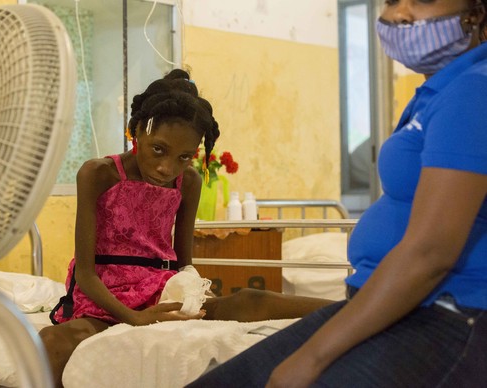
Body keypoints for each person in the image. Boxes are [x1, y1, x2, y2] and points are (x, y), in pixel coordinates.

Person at [187, 0, 487, 387]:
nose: (401, 14)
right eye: (393, 1)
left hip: (445, 315)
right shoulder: (436, 91)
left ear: (476, 13)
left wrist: (312, 358)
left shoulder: (474, 90)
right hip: (397, 307)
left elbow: (430, 253)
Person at [39, 69, 332, 387]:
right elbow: (86, 274)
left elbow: (183, 262)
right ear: (137, 130)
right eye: (158, 150)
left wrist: (194, 294)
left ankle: (350, 309)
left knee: (249, 300)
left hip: (160, 287)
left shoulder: (187, 180)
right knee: (52, 342)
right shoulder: (99, 174)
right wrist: (135, 318)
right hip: (104, 293)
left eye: (184, 157)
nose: (167, 168)